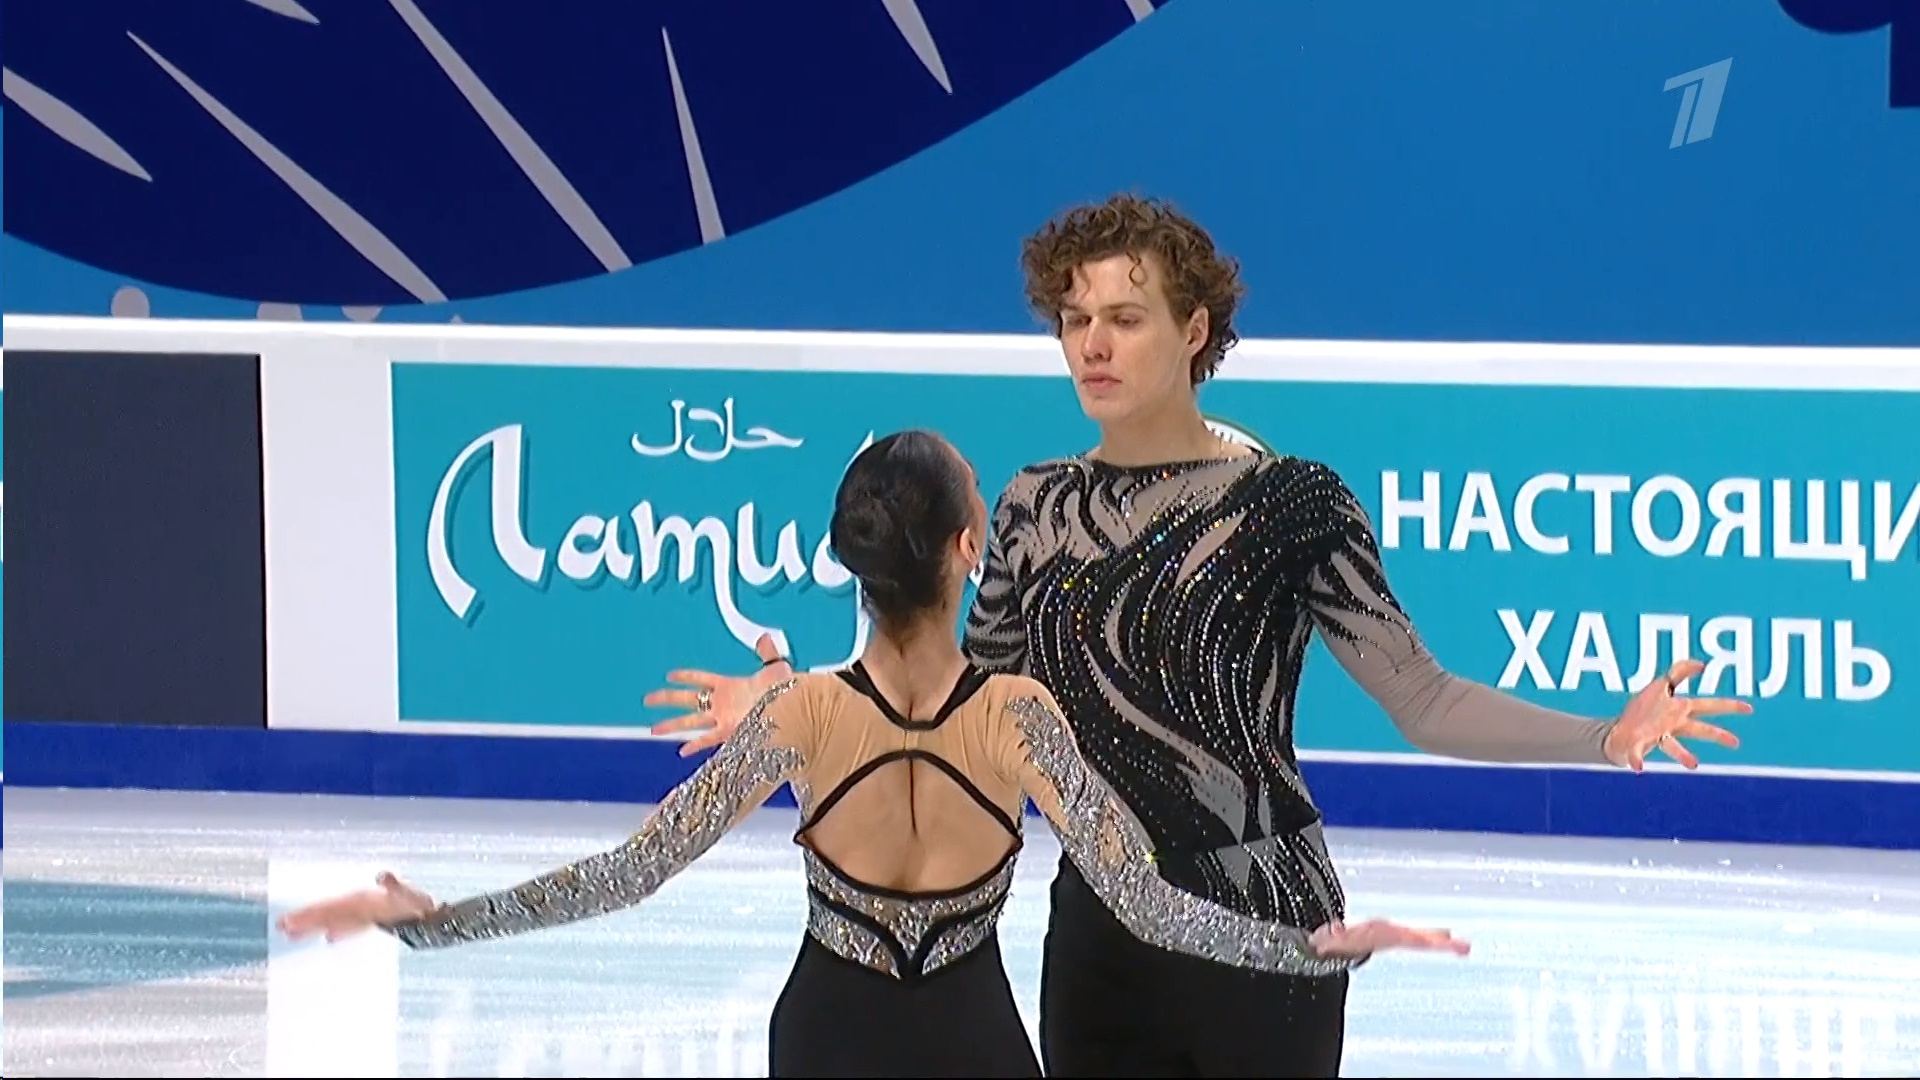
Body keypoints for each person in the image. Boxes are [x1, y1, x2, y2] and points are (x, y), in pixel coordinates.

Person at [647, 194, 1751, 1077]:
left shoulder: (1290, 503)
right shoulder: (1033, 508)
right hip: (1102, 933)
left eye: (1124, 318)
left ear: (1194, 330)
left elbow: (1421, 696)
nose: (1092, 344)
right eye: (1074, 319)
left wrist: (1602, 736)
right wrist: (792, 701)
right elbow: (960, 708)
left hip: (1265, 918)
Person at [277, 430, 1469, 1079]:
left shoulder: (799, 717)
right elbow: (1149, 906)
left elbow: (628, 874)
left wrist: (431, 922)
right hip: (972, 1048)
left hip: (826, 1043)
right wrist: (1310, 946)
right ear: (968, 550)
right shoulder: (1019, 719)